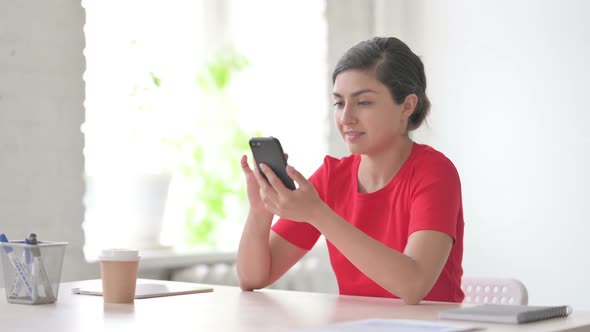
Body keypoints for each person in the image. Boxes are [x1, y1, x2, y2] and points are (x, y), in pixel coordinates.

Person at [237, 37, 464, 304]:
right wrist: (260, 212)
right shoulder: (332, 176)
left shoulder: (435, 172)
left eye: (363, 102)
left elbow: (413, 285)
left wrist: (318, 214)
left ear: (406, 106)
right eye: (339, 103)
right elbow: (252, 278)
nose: (346, 118)